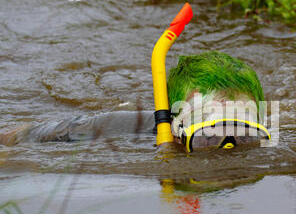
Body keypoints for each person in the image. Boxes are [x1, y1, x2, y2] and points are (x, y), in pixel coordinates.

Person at [0, 51, 270, 151]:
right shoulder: (117, 128)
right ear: (176, 130)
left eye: (243, 134)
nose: (227, 149)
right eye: (208, 135)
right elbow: (22, 135)